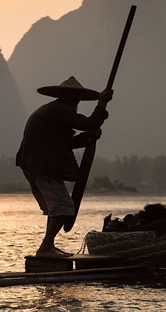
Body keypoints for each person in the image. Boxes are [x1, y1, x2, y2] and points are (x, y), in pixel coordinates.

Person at [16, 76, 113, 257]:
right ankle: (45, 248)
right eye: (74, 97)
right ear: (66, 96)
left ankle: (48, 246)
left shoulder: (52, 111)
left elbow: (60, 143)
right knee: (63, 206)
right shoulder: (60, 111)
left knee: (56, 207)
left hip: (35, 164)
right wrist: (102, 103)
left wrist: (87, 138)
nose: (76, 101)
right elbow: (90, 123)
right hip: (42, 166)